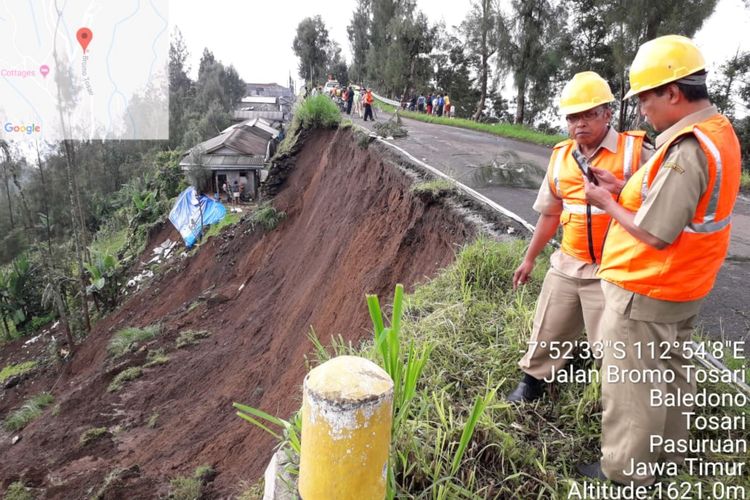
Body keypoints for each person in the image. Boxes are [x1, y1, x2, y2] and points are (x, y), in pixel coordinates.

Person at [579, 35, 741, 487]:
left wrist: (604, 201)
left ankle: (626, 474)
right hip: (683, 287)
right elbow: (674, 201)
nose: (642, 109)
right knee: (670, 376)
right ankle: (666, 459)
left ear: (672, 92)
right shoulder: (718, 132)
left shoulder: (686, 147)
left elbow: (653, 230)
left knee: (632, 388)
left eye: (646, 98)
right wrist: (623, 185)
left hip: (645, 288)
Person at [508, 71, 652, 403]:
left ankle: (618, 401)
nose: (580, 124)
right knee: (549, 325)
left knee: (612, 343)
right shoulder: (561, 157)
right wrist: (529, 259)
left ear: (607, 113)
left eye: (589, 114)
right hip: (568, 261)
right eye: (573, 117)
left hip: (614, 268)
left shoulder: (635, 151)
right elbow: (550, 213)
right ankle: (532, 381)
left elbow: (661, 203)